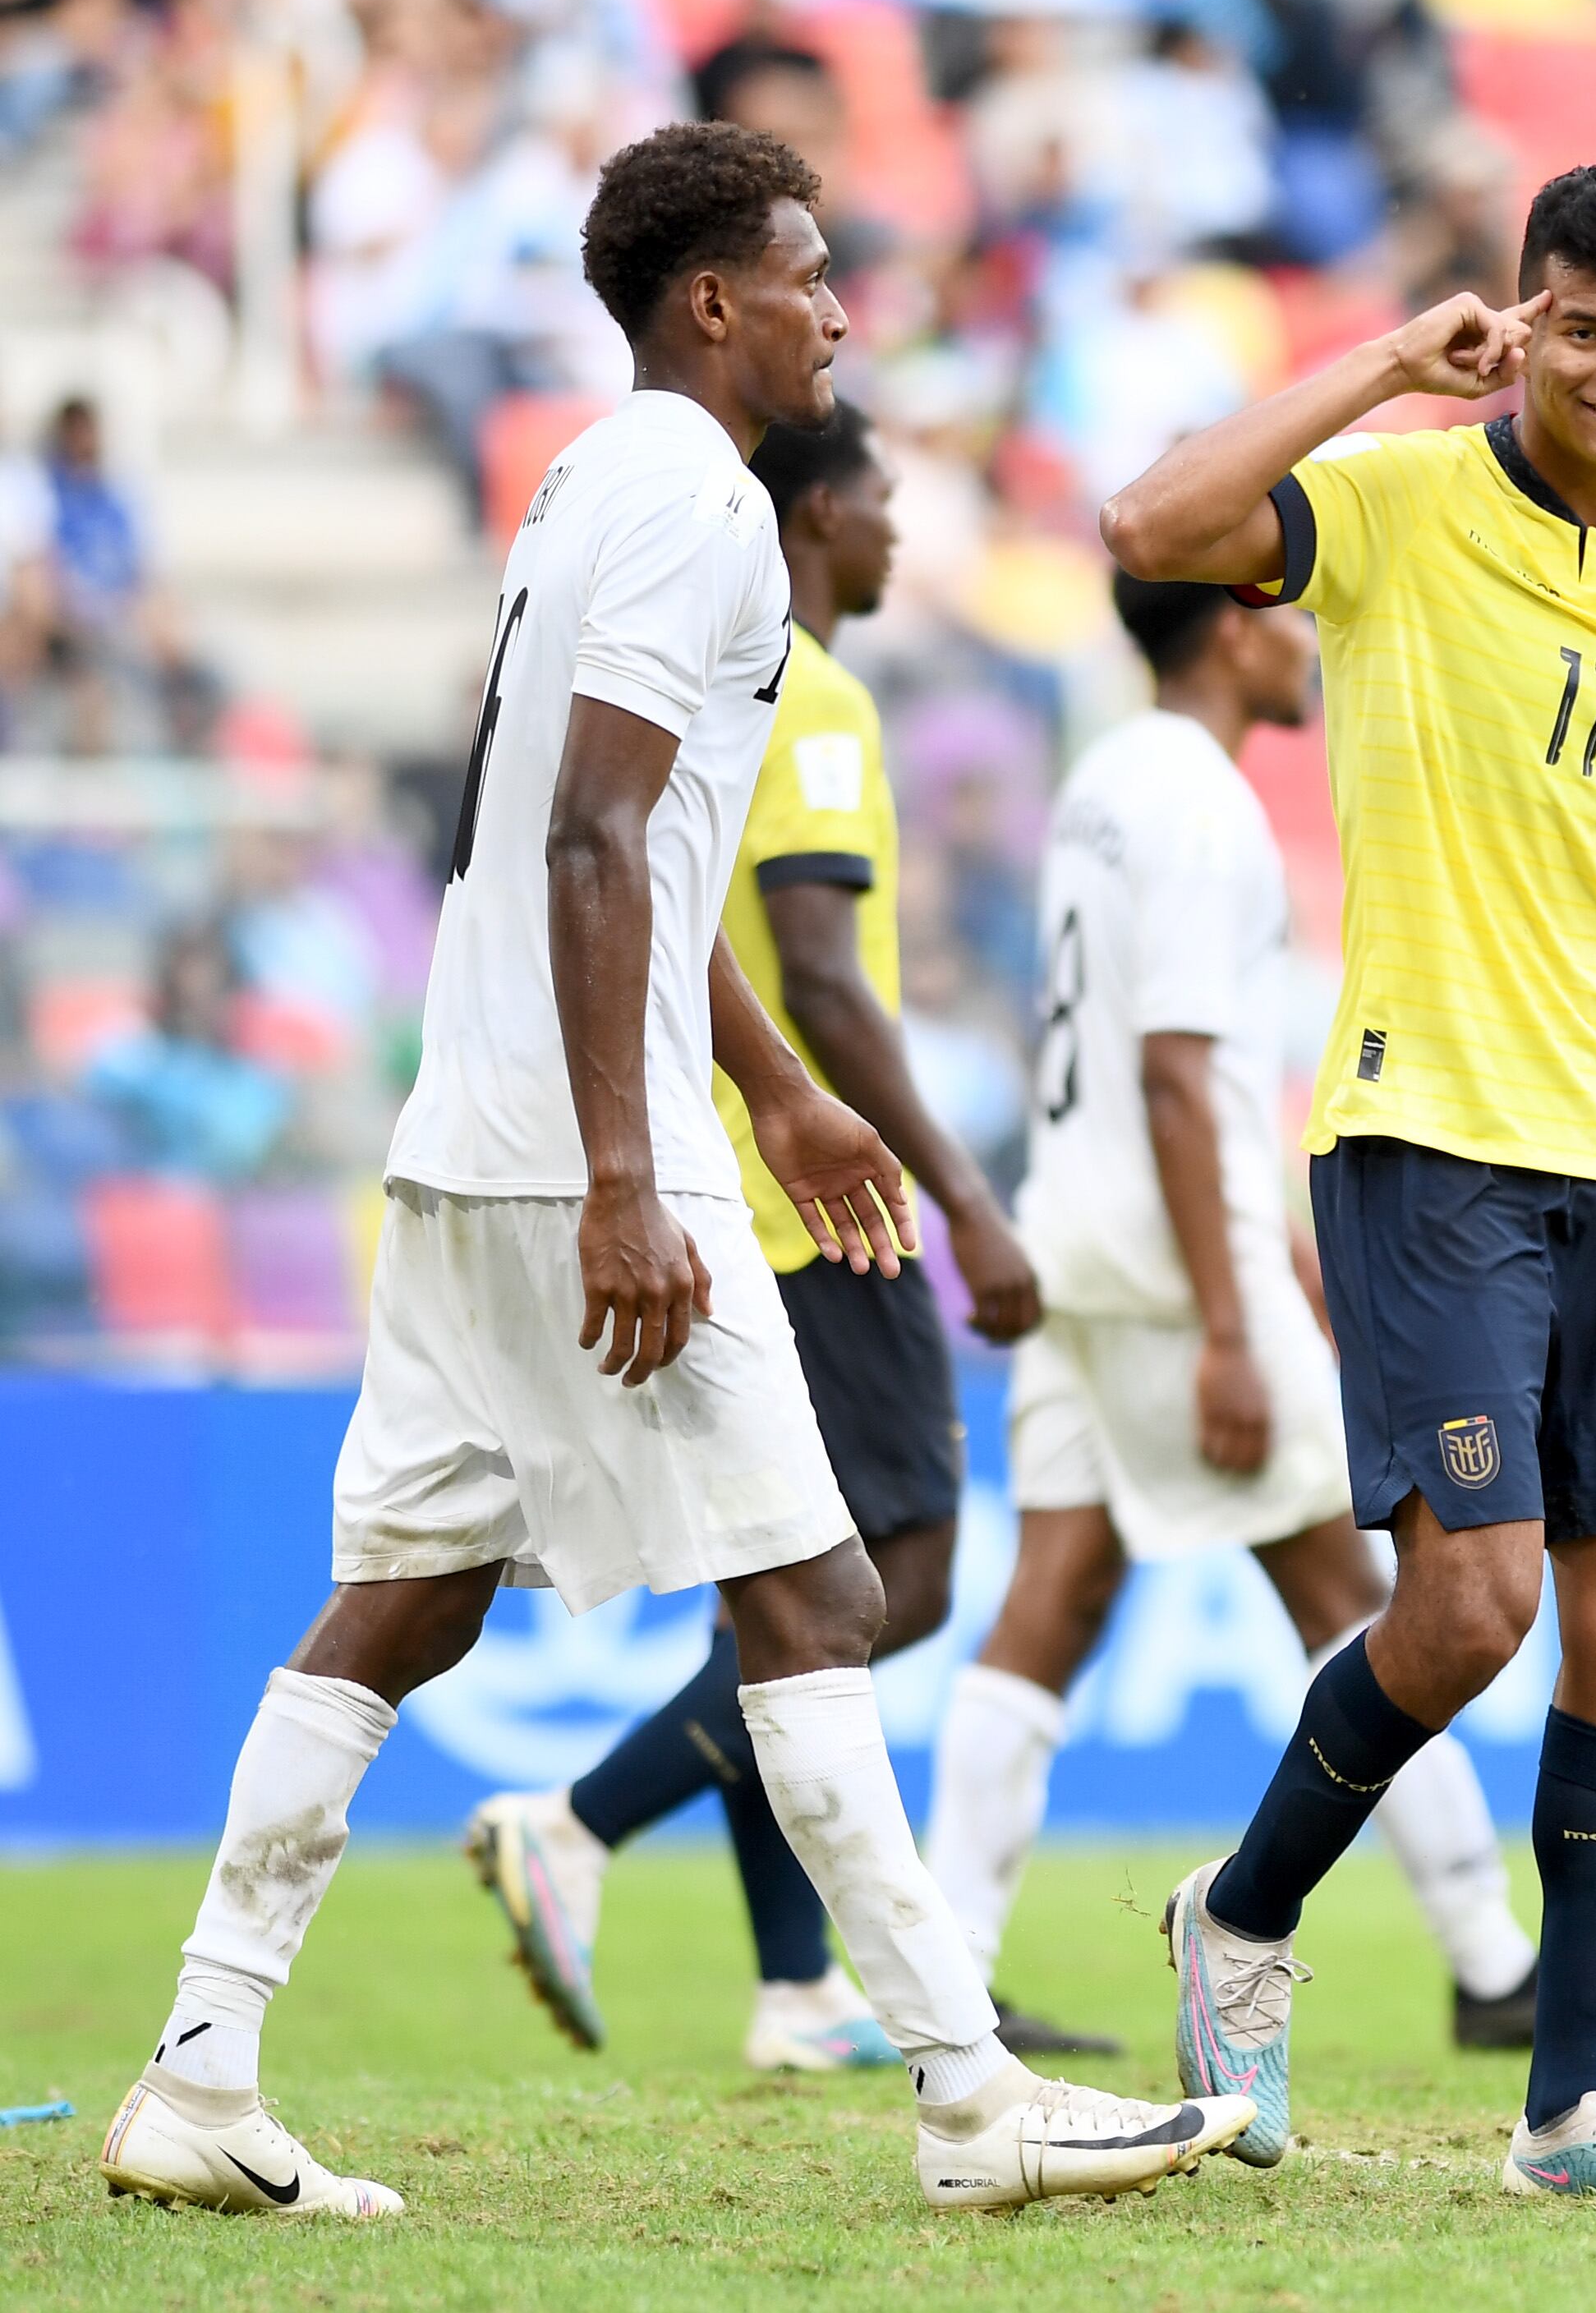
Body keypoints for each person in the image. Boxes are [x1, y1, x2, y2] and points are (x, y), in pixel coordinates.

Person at [94, 122, 1242, 2220]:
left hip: (484, 1125)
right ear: (710, 297)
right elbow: (589, 837)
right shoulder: (705, 500)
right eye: (809, 273)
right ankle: (973, 2092)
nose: (836, 308)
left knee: (410, 1595)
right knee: (821, 1594)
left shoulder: (594, 477)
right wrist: (638, 1173)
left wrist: (787, 1091)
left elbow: (629, 823)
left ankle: (199, 2065)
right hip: (576, 1154)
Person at [1096, 161, 1596, 2199]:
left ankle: (1568, 2109)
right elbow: (1149, 524)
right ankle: (1242, 1912)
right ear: (1521, 317)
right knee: (1471, 1602)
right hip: (1427, 1134)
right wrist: (1390, 362)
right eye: (1585, 325)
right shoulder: (1395, 499)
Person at [919, 570, 1596, 2053]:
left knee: (1050, 1606)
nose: (1306, 638)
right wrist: (1231, 1312)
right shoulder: (1207, 807)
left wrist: (1274, 1247)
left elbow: (1156, 1068)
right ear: (1230, 629)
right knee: (1393, 1603)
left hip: (1080, 1223)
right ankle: (1487, 1961)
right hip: (1164, 1264)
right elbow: (1176, 1069)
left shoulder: (1102, 780)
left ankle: (946, 1978)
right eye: (1285, 614)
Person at [458, 397, 1053, 2078]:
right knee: (898, 1573)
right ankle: (577, 1820)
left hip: (709, 1174)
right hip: (800, 1206)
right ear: (811, 516)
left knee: (782, 1589)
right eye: (876, 499)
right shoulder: (820, 689)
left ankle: (798, 1986)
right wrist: (965, 1200)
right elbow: (830, 981)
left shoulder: (704, 675)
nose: (895, 531)